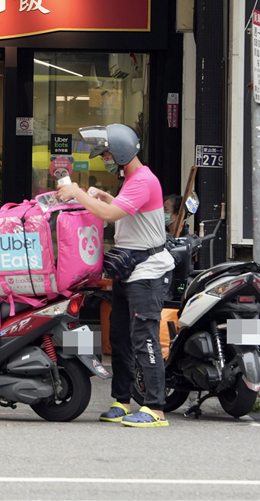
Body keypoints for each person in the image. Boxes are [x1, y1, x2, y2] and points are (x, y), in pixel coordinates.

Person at [57, 123, 172, 428]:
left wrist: (78, 193)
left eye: (106, 153)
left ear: (120, 152)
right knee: (120, 338)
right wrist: (107, 197)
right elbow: (122, 211)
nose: (104, 158)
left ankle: (155, 408)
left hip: (147, 273)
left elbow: (109, 216)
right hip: (128, 269)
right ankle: (122, 401)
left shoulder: (143, 180)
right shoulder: (132, 179)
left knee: (144, 337)